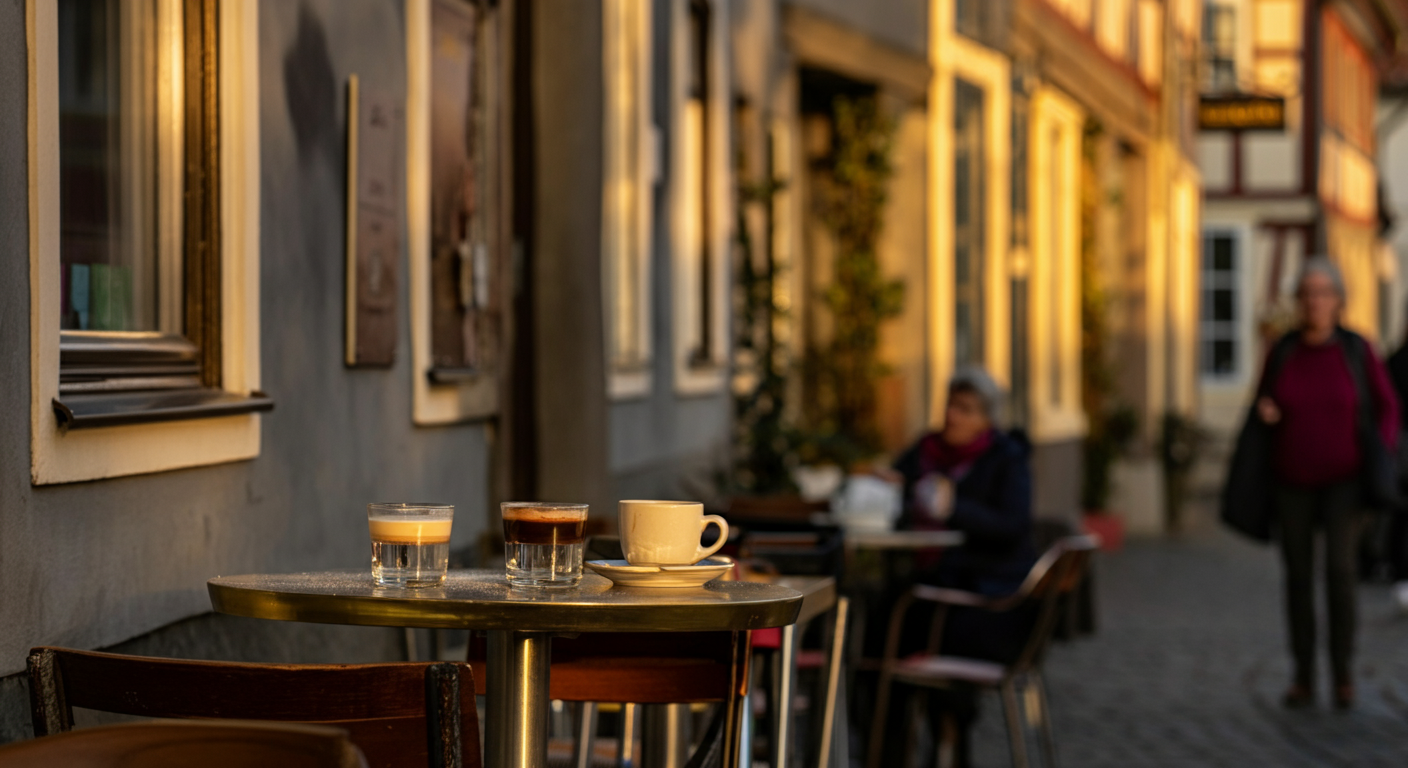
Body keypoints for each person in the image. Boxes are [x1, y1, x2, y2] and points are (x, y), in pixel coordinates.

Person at [1254, 257, 1399, 710]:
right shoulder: (1283, 350)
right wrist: (1268, 412)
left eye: (1323, 293)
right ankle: (1302, 675)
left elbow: (1388, 406)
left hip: (1346, 481)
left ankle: (1342, 674)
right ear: (1299, 302)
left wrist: (1385, 449)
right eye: (1307, 294)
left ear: (1338, 301)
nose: (1315, 302)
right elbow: (1264, 400)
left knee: (1340, 573)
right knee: (1298, 578)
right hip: (1291, 480)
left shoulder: (1357, 349)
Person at [887, 366, 1036, 766]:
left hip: (983, 600)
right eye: (952, 404)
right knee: (876, 626)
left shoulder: (1006, 458)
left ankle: (946, 745)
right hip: (930, 583)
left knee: (901, 632)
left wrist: (956, 509)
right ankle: (890, 748)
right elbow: (893, 485)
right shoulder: (926, 450)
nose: (954, 416)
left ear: (988, 418)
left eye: (967, 409)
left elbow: (1012, 526)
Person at [1384, 319, 1408, 611]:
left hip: (1399, 445)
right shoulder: (1396, 361)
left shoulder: (1393, 360)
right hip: (1402, 446)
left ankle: (1398, 569)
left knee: (1400, 513)